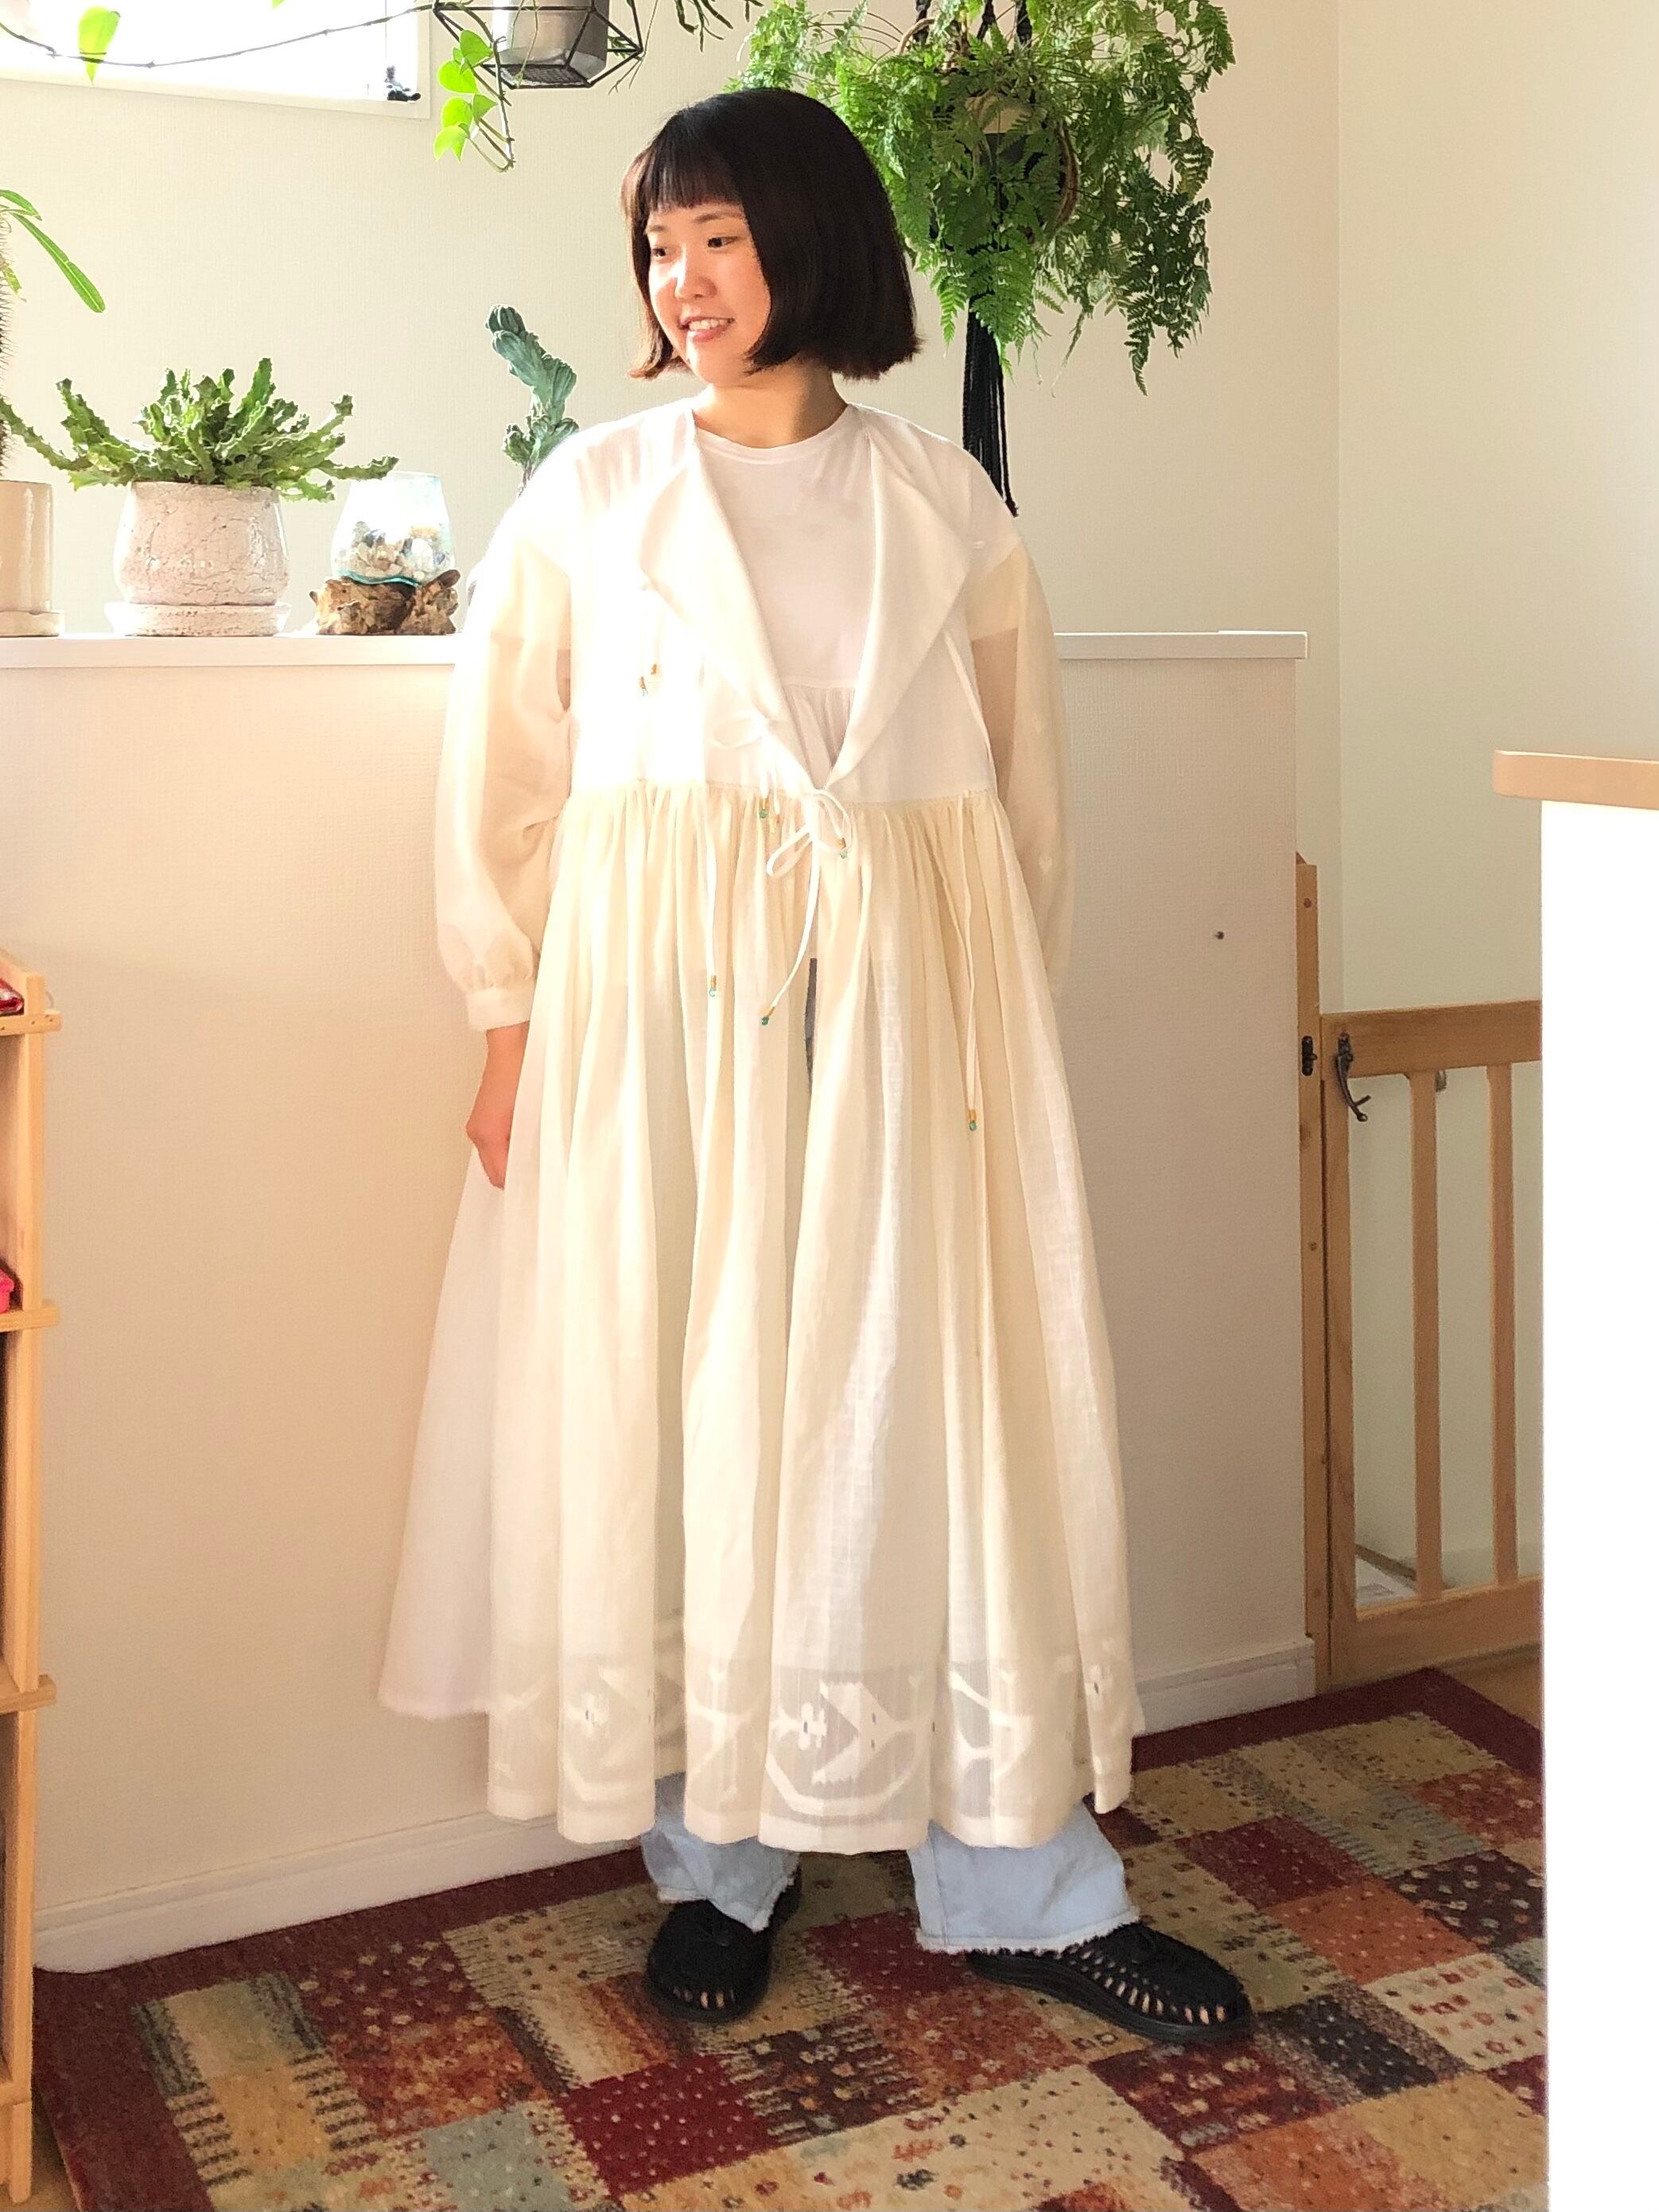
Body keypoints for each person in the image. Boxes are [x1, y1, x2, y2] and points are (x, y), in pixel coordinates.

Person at [379, 85, 1249, 2047]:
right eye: (657, 244)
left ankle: (1020, 1878)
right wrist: (504, 1023)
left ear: (813, 239)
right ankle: (719, 1857)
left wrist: (987, 1028)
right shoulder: (591, 498)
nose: (680, 280)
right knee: (689, 1411)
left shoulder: (943, 502)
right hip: (653, 1035)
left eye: (717, 236)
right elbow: (499, 785)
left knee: (922, 1414)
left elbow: (1022, 803)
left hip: (909, 1031)